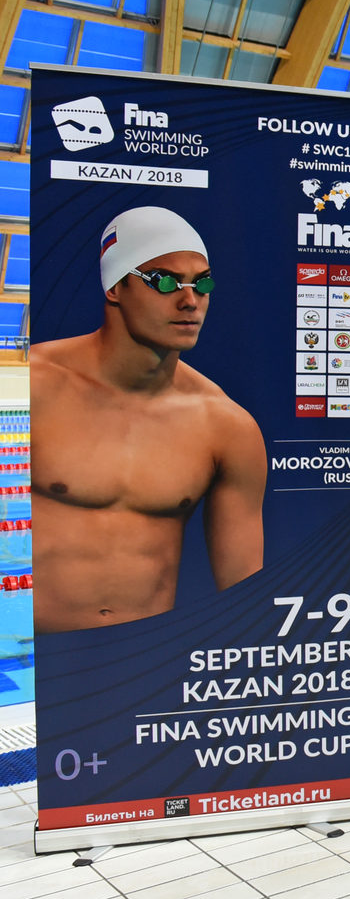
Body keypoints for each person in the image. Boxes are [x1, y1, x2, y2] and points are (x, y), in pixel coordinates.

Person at [33, 206, 266, 633]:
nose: (189, 301)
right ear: (115, 287)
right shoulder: (37, 386)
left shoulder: (226, 425)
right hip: (41, 671)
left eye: (203, 283)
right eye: (164, 281)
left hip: (148, 664)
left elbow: (244, 597)